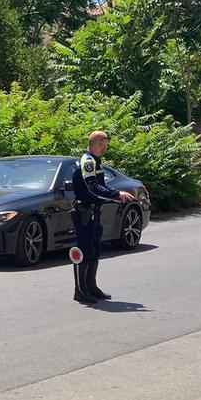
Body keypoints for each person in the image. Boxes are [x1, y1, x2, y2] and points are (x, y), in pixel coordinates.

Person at [71, 130, 136, 304]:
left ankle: (91, 287)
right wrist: (116, 194)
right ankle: (80, 291)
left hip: (93, 212)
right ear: (95, 144)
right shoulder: (88, 162)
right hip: (84, 212)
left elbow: (99, 188)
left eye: (106, 145)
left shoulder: (96, 162)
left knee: (95, 249)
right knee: (84, 251)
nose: (104, 148)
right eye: (102, 145)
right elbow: (92, 188)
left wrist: (114, 197)